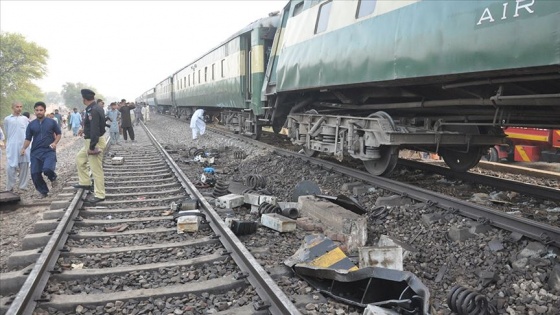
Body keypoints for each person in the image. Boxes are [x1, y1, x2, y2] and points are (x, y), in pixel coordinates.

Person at [20, 102, 61, 198]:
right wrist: (23, 148)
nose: (39, 112)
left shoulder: (52, 122)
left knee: (47, 169)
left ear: (44, 111)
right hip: (35, 152)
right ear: (34, 111)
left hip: (49, 150)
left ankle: (53, 178)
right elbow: (28, 138)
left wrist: (55, 143)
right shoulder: (31, 125)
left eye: (41, 110)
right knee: (35, 173)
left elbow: (58, 134)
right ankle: (43, 192)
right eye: (37, 110)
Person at [74, 89, 106, 203]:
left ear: (84, 99)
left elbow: (95, 130)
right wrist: (84, 129)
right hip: (90, 140)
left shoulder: (93, 110)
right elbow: (94, 125)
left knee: (96, 169)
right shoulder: (95, 108)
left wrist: (92, 147)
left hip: (94, 141)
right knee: (80, 158)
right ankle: (85, 182)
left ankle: (100, 194)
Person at [3, 101, 31, 192]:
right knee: (10, 167)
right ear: (13, 108)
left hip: (24, 145)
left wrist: (26, 146)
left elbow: (28, 133)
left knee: (24, 165)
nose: (19, 108)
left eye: (20, 107)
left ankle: (23, 187)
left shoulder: (25, 119)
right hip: (12, 146)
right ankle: (9, 187)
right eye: (17, 107)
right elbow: (7, 132)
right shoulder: (7, 119)